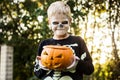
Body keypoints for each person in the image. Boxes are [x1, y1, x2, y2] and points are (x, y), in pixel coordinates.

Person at [34, 1, 94, 80]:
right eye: (55, 23)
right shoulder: (44, 44)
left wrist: (76, 64)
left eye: (64, 22)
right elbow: (37, 73)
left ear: (70, 22)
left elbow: (89, 69)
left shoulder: (78, 42)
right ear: (49, 23)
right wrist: (43, 65)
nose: (60, 25)